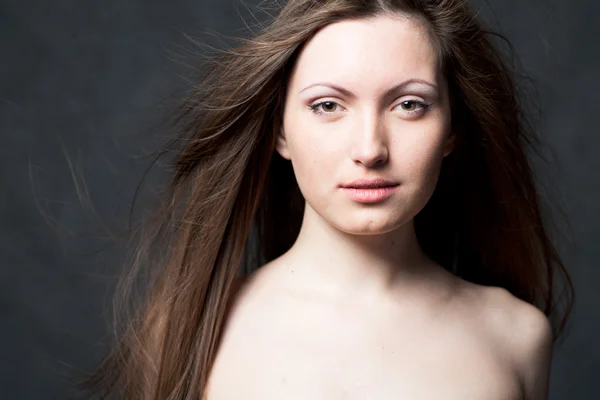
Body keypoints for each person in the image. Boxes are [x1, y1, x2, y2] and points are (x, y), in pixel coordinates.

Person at [78, 0, 574, 399]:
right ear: (280, 132)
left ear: (451, 130)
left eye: (409, 105)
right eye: (328, 105)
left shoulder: (516, 336)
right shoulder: (186, 327)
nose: (369, 150)